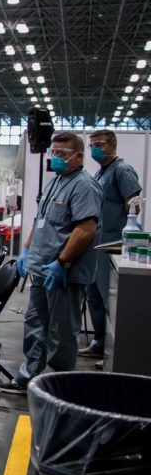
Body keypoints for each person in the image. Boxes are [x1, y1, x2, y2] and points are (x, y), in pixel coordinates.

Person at [0, 132, 102, 394]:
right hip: (41, 269)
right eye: (53, 152)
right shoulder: (56, 182)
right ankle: (28, 377)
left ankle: (61, 385)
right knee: (35, 325)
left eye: (62, 154)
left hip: (64, 272)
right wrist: (26, 251)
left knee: (62, 332)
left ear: (79, 156)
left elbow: (86, 229)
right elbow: (40, 220)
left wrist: (62, 262)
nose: (55, 157)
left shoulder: (84, 186)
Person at [79, 130, 142, 359]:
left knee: (108, 296)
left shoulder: (122, 171)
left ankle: (112, 352)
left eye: (100, 144)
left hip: (112, 243)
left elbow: (134, 205)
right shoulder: (100, 172)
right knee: (93, 294)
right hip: (97, 244)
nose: (95, 149)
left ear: (113, 144)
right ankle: (98, 342)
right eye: (92, 145)